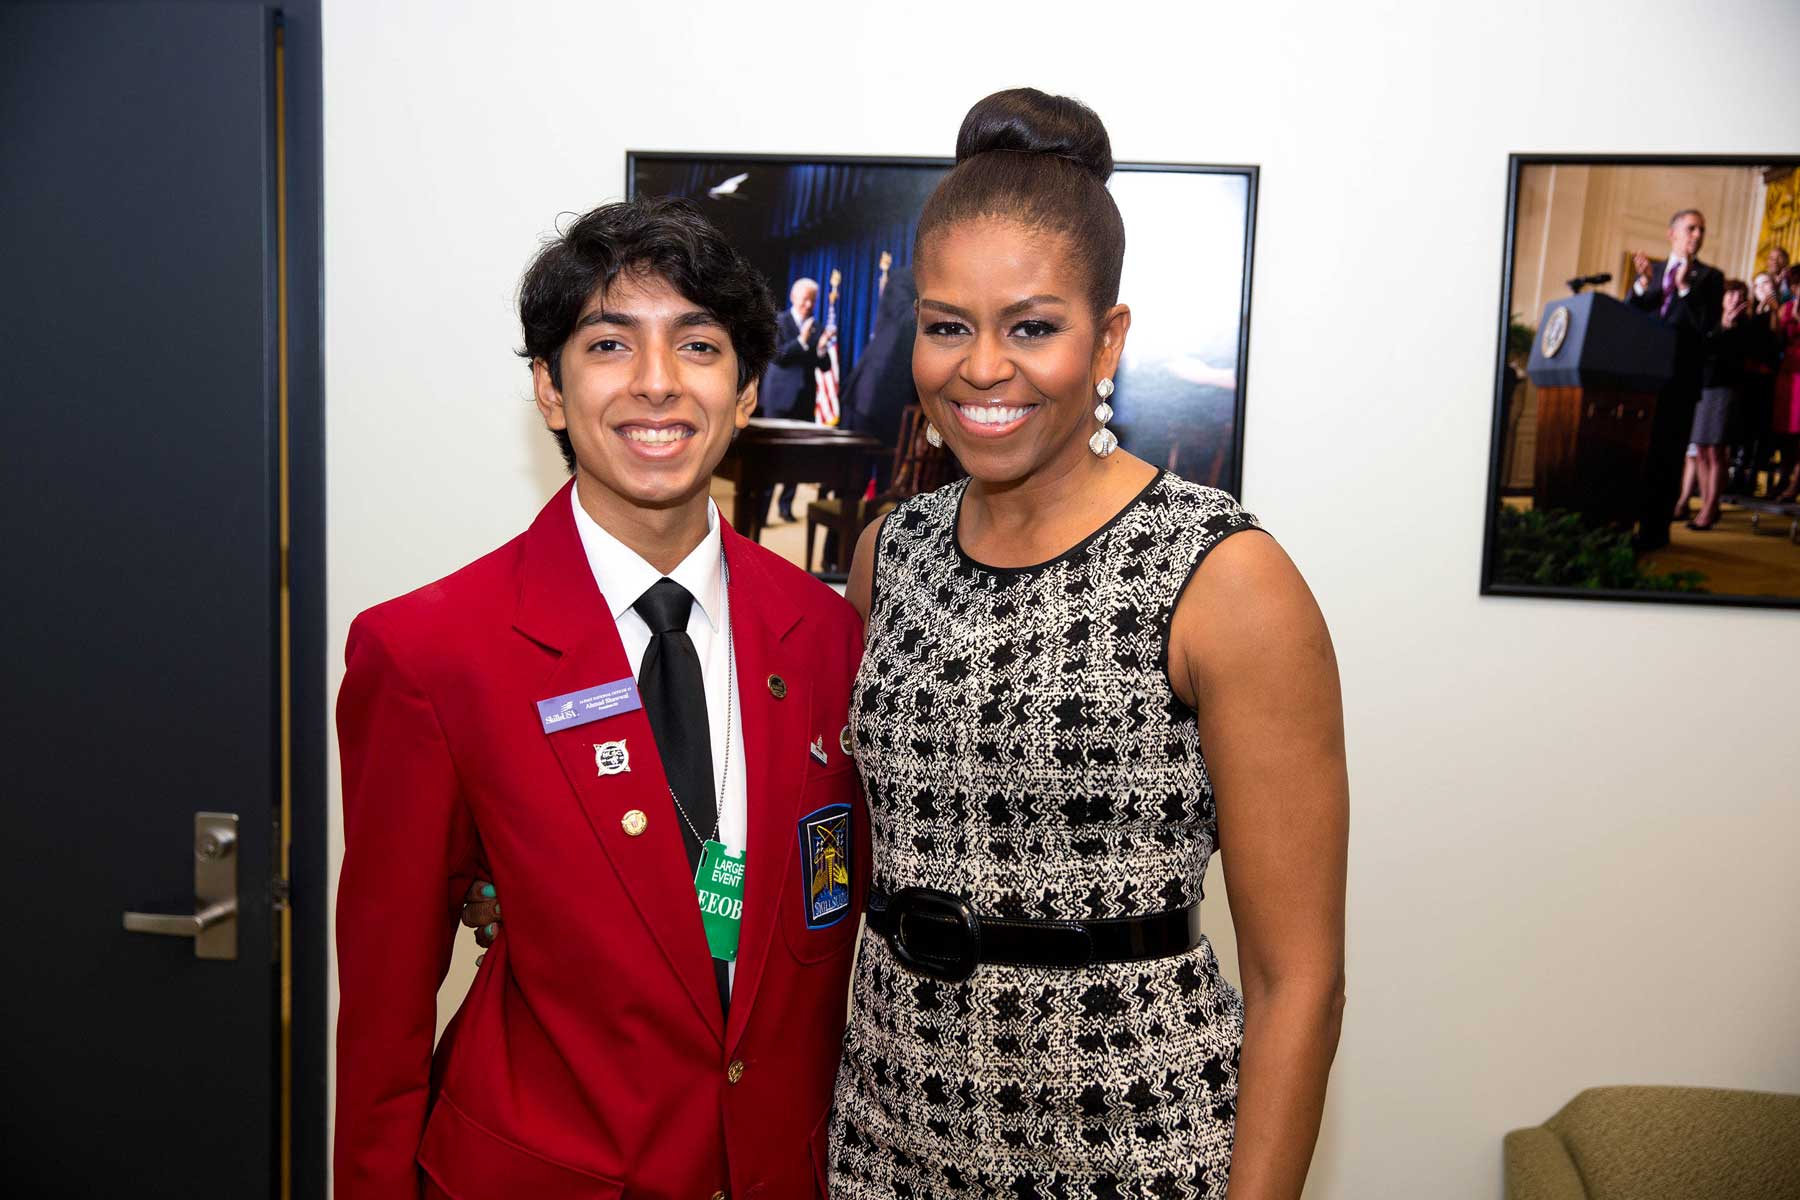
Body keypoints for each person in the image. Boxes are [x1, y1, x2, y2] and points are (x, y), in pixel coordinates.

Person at [829, 88, 1346, 1199]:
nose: (980, 368)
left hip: (1130, 1139)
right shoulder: (893, 552)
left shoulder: (1220, 575)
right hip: (886, 1131)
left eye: (1032, 325)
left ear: (1108, 337)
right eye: (947, 325)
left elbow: (1298, 976)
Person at [335, 197, 867, 1199]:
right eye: (611, 345)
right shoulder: (427, 654)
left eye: (698, 347)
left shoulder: (827, 633)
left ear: (746, 393)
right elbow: (382, 1022)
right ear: (548, 388)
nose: (657, 385)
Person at [1625, 209, 1724, 549]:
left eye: (1702, 229)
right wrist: (1639, 286)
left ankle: (1655, 533)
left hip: (1680, 383)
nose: (1697, 235)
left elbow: (1707, 328)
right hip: (1642, 380)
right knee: (1636, 456)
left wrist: (1684, 292)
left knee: (1667, 460)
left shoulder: (1710, 278)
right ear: (1672, 233)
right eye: (1691, 228)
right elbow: (1631, 315)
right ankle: (1623, 524)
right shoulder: (1651, 274)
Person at [764, 276, 837, 521]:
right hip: (779, 399)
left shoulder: (815, 326)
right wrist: (802, 341)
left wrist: (822, 348)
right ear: (794, 297)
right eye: (805, 299)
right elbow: (776, 355)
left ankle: (786, 507)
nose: (809, 304)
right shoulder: (779, 321)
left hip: (805, 399)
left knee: (796, 458)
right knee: (770, 457)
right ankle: (761, 510)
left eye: (813, 300)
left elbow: (824, 366)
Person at [1685, 279, 1756, 529]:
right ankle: (1709, 505)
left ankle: (1708, 508)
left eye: (1740, 295)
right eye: (1731, 294)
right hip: (1703, 388)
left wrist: (1731, 327)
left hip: (1725, 392)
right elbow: (1703, 350)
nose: (1735, 299)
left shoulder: (1747, 326)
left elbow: (1739, 359)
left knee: (1716, 451)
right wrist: (1722, 326)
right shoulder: (1711, 320)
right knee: (1702, 449)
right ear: (1723, 297)